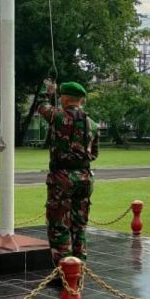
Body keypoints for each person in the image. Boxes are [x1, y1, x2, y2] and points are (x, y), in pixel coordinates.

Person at [37, 78, 99, 266]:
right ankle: (79, 268)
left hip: (61, 178)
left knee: (59, 226)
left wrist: (48, 89)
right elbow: (94, 154)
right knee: (79, 226)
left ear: (64, 98)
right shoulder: (93, 124)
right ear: (82, 99)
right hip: (84, 178)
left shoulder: (57, 116)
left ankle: (64, 271)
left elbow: (41, 106)